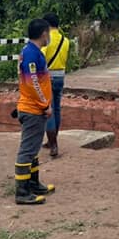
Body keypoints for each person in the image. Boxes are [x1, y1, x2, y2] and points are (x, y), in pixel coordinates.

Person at [14, 19, 56, 205]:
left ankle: (33, 183)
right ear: (44, 34)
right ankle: (22, 192)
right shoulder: (32, 54)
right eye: (48, 33)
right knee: (27, 150)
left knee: (34, 148)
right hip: (33, 109)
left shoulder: (30, 51)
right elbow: (33, 83)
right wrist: (44, 104)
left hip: (32, 107)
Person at [41, 12, 69, 158]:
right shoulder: (66, 40)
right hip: (60, 76)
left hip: (48, 76)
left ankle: (53, 144)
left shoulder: (47, 39)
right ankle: (54, 139)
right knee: (57, 108)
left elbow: (41, 56)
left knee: (48, 110)